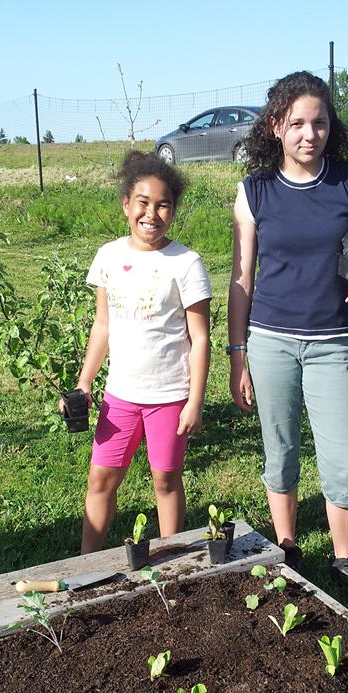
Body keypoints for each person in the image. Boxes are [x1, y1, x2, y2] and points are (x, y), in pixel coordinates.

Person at [227, 71, 348, 609]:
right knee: (281, 453)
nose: (309, 133)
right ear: (276, 126)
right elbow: (242, 278)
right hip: (270, 340)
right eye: (296, 122)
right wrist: (237, 356)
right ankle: (288, 550)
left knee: (344, 459)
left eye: (319, 122)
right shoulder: (254, 191)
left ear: (330, 126)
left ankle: (345, 561)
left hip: (331, 343)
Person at [69, 151, 212, 554]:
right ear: (126, 205)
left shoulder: (186, 263)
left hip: (169, 397)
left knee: (165, 480)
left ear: (173, 210)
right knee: (101, 479)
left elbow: (200, 338)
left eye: (163, 204)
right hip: (120, 396)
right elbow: (103, 325)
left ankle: (172, 563)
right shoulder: (108, 257)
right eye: (143, 203)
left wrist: (194, 402)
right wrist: (85, 382)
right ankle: (87, 562)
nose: (152, 213)